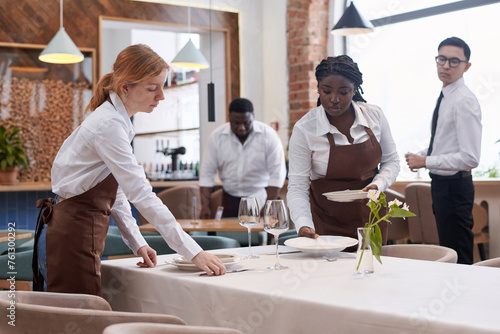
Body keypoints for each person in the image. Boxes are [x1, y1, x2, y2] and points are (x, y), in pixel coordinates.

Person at [33, 44, 226, 296]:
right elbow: (141, 194)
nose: (161, 96)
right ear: (126, 87)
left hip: (76, 231)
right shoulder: (109, 124)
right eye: (152, 88)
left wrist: (137, 242)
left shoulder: (116, 120)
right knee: (77, 320)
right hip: (73, 235)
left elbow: (119, 193)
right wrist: (192, 251)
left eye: (162, 86)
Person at [287, 55, 400, 244]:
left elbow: (392, 161)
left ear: (354, 90)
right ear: (318, 90)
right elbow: (297, 185)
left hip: (371, 217)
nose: (334, 99)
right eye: (326, 91)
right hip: (326, 221)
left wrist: (378, 184)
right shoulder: (305, 128)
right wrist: (303, 223)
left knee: (371, 270)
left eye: (344, 92)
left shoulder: (374, 116)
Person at [405, 37, 481, 265]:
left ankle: (465, 299)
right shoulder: (447, 96)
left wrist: (426, 161)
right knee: (449, 252)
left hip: (455, 188)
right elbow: (445, 142)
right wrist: (422, 154)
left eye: (454, 61)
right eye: (442, 59)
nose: (446, 65)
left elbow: (470, 157)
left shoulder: (463, 101)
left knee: (458, 257)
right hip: (442, 187)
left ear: (466, 66)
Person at [199, 98, 287, 218]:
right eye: (236, 123)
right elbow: (206, 173)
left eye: (246, 123)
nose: (241, 127)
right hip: (229, 197)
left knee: (261, 236)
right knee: (228, 235)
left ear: (253, 118)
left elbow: (277, 173)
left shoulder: (268, 135)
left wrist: (269, 204)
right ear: (229, 118)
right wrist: (205, 206)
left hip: (261, 196)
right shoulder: (216, 137)